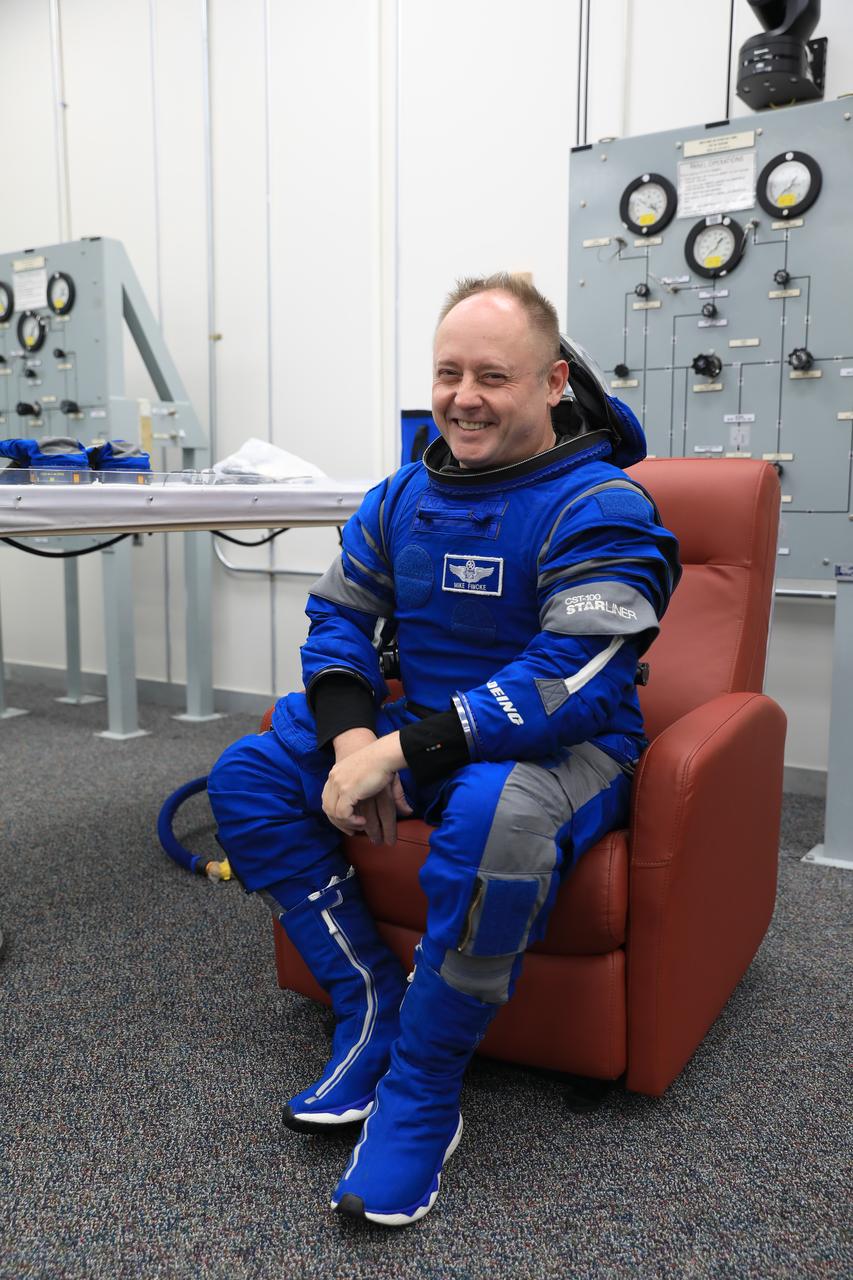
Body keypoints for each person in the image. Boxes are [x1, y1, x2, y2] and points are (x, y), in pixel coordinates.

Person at [207, 273, 680, 1227]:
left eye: (492, 377)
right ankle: (369, 1004)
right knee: (249, 774)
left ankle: (420, 1092)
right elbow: (338, 622)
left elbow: (568, 679)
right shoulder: (401, 496)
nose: (463, 398)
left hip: (569, 747)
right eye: (447, 373)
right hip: (419, 728)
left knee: (492, 817)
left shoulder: (602, 506)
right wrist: (354, 740)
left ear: (552, 383)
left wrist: (400, 755)